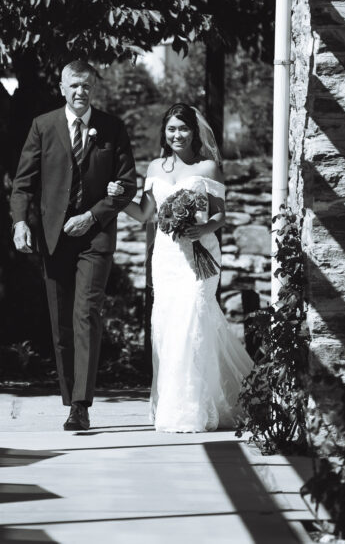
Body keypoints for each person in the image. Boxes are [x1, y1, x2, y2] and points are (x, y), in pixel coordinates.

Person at [108, 103, 253, 433]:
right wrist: (118, 200)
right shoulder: (155, 168)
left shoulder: (209, 167)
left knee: (194, 322)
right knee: (169, 327)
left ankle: (194, 410)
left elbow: (220, 215)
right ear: (164, 132)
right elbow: (146, 214)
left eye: (183, 129)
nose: (177, 135)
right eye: (171, 129)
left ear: (194, 131)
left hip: (200, 255)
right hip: (167, 258)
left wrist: (202, 229)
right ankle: (178, 406)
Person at [10, 60, 137, 431]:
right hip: (53, 238)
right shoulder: (43, 126)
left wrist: (94, 216)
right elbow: (22, 184)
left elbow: (126, 184)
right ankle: (70, 397)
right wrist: (20, 222)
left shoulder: (112, 128)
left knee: (86, 314)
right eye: (74, 86)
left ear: (92, 88)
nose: (81, 92)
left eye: (87, 86)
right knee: (61, 321)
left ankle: (80, 405)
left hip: (95, 236)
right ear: (62, 87)